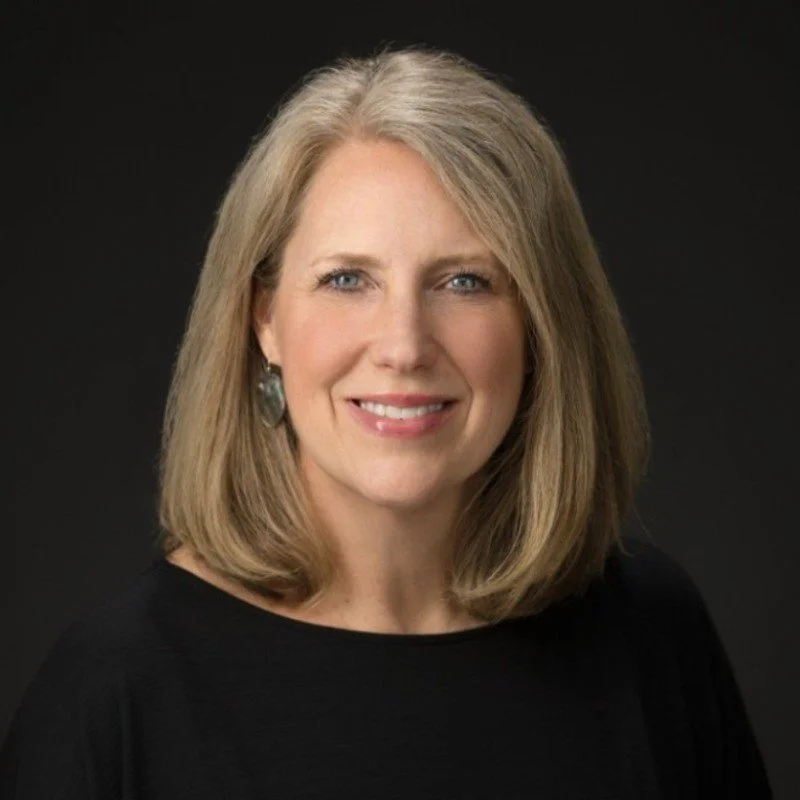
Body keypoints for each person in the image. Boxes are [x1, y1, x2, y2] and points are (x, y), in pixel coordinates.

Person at [0, 47, 772, 798]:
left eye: (465, 281)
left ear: (541, 325)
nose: (404, 346)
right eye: (347, 279)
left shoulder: (654, 638)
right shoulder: (118, 690)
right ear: (264, 319)